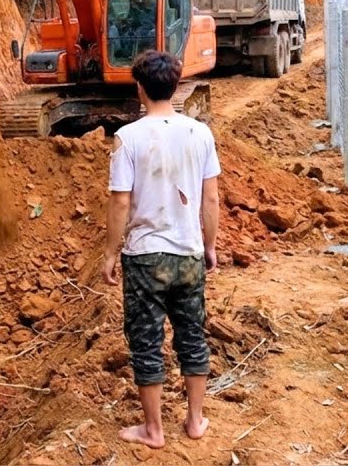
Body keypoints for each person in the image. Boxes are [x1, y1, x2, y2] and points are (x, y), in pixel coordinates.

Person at [104, 50, 221, 449]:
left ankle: (153, 430)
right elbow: (211, 199)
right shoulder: (200, 134)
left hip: (144, 257)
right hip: (188, 253)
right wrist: (209, 246)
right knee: (192, 336)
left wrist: (109, 253)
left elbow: (120, 202)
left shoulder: (128, 138)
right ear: (175, 86)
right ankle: (195, 420)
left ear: (140, 88)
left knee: (146, 342)